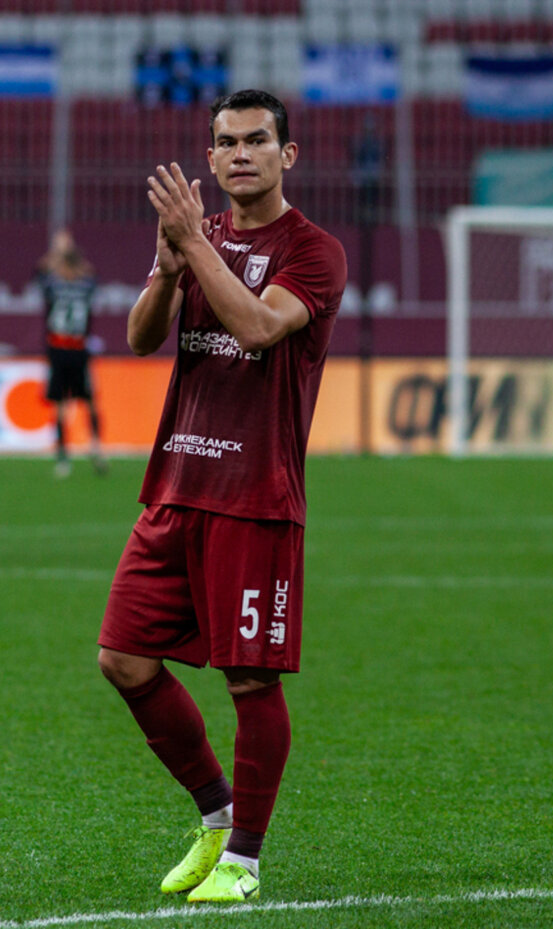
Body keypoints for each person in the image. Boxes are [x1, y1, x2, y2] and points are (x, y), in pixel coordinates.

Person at [96, 89, 347, 904]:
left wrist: (194, 247)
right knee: (123, 658)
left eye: (257, 140)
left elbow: (258, 328)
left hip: (255, 496)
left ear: (287, 155)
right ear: (209, 157)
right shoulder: (195, 235)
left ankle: (245, 858)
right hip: (176, 486)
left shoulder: (314, 251)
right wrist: (169, 269)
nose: (241, 154)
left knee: (250, 683)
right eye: (227, 142)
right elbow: (141, 337)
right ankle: (215, 813)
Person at [36, 237, 107, 478]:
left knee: (77, 402)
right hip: (71, 349)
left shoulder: (54, 285)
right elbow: (92, 274)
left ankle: (85, 450)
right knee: (70, 403)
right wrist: (68, 253)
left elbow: (40, 272)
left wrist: (58, 250)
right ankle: (73, 452)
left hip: (66, 348)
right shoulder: (85, 286)